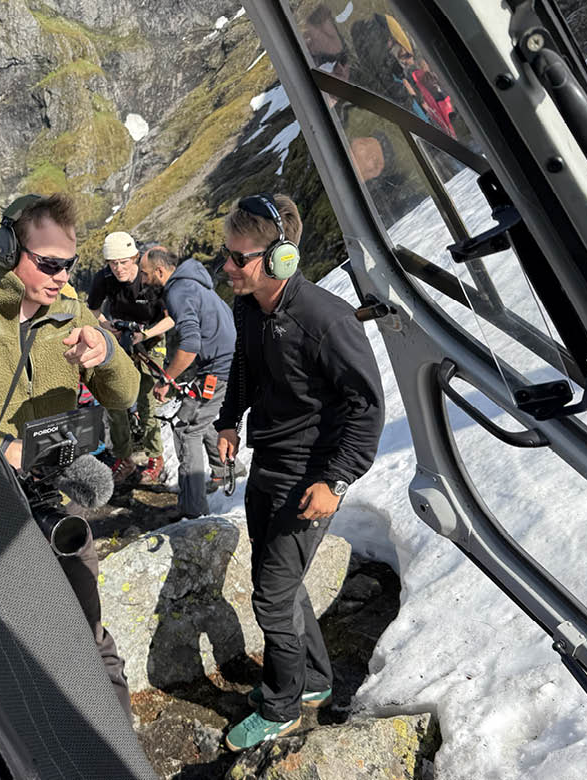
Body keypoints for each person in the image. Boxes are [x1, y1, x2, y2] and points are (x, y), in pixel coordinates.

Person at [0, 192, 139, 718]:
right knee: (8, 655)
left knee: (92, 643)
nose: (61, 277)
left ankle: (118, 749)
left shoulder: (74, 315)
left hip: (59, 510)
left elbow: (125, 395)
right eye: (49, 264)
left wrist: (105, 357)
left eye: (70, 265)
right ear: (7, 248)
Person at [213, 194, 384, 751]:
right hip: (267, 461)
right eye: (227, 255)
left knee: (270, 595)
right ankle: (311, 681)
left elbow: (366, 407)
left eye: (240, 259)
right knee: (282, 584)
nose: (228, 268)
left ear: (280, 257)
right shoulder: (248, 308)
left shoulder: (325, 320)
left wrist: (335, 482)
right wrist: (229, 418)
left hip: (308, 479)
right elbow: (245, 365)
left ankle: (282, 704)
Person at [138, 247, 234, 519]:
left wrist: (166, 379)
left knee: (185, 428)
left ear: (159, 271)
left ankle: (193, 511)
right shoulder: (195, 284)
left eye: (145, 275)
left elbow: (191, 343)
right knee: (194, 417)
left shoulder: (178, 291)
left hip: (218, 370)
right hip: (224, 366)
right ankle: (225, 469)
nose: (143, 281)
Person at [88, 231, 175, 484]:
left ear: (135, 258)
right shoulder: (104, 279)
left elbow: (171, 318)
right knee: (115, 399)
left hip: (152, 338)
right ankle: (124, 457)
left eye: (124, 262)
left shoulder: (150, 279)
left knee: (146, 399)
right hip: (120, 337)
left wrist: (144, 334)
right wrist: (106, 326)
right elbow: (92, 308)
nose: (118, 268)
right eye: (113, 263)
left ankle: (155, 457)